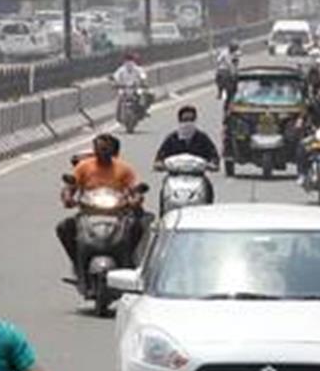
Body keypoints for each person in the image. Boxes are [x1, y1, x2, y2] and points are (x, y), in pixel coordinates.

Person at [56, 134, 147, 272]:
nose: (102, 152)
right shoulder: (83, 167)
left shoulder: (124, 168)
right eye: (98, 149)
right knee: (64, 227)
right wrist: (68, 198)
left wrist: (136, 199)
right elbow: (70, 187)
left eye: (105, 149)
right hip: (89, 212)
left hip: (117, 212)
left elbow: (134, 189)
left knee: (138, 227)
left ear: (112, 150)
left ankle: (129, 259)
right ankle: (77, 262)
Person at [154, 106, 220, 203]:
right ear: (179, 121)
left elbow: (213, 155)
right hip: (175, 177)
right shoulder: (172, 138)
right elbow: (160, 157)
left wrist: (213, 164)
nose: (188, 123)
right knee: (164, 189)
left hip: (197, 177)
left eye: (191, 120)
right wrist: (159, 164)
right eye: (185, 120)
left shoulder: (202, 138)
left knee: (208, 187)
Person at [112, 53, 151, 120]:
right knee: (120, 96)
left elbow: (143, 76)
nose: (128, 63)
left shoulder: (137, 69)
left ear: (133, 61)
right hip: (124, 88)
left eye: (130, 60)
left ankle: (143, 110)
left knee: (144, 95)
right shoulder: (121, 70)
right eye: (127, 61)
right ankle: (118, 115)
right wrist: (114, 83)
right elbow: (115, 77)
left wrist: (143, 82)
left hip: (135, 88)